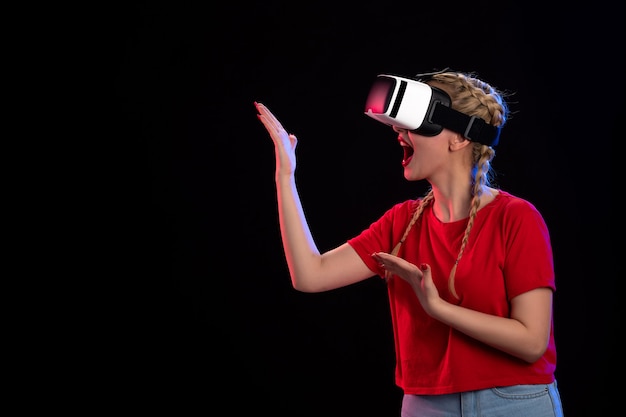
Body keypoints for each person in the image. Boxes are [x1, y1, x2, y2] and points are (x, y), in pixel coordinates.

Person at [254, 68, 563, 417]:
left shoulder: (516, 218)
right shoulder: (401, 223)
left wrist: (438, 307)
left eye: (412, 124)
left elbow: (532, 342)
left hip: (513, 402)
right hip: (426, 405)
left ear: (458, 138)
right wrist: (285, 175)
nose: (399, 134)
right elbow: (310, 275)